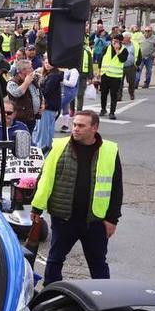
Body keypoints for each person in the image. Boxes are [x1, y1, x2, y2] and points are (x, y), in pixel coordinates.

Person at [31, 110, 122, 286]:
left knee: (98, 264)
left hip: (95, 220)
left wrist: (112, 219)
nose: (75, 129)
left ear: (94, 128)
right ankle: (50, 294)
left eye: (81, 126)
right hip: (64, 218)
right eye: (74, 125)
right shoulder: (59, 146)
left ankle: (104, 300)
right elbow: (45, 178)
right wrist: (36, 208)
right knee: (55, 260)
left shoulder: (110, 150)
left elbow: (116, 187)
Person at [5, 60, 41, 133]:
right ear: (23, 70)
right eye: (30, 68)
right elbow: (17, 93)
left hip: (31, 117)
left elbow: (39, 92)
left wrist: (42, 103)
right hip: (20, 118)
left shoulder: (33, 79)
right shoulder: (12, 82)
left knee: (29, 138)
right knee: (20, 139)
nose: (32, 70)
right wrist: (26, 82)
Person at [35, 58, 62, 153]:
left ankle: (41, 152)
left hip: (47, 106)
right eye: (46, 63)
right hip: (51, 106)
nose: (47, 65)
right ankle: (47, 151)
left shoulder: (53, 76)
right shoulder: (49, 74)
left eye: (50, 63)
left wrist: (36, 89)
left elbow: (46, 91)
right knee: (47, 131)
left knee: (42, 132)